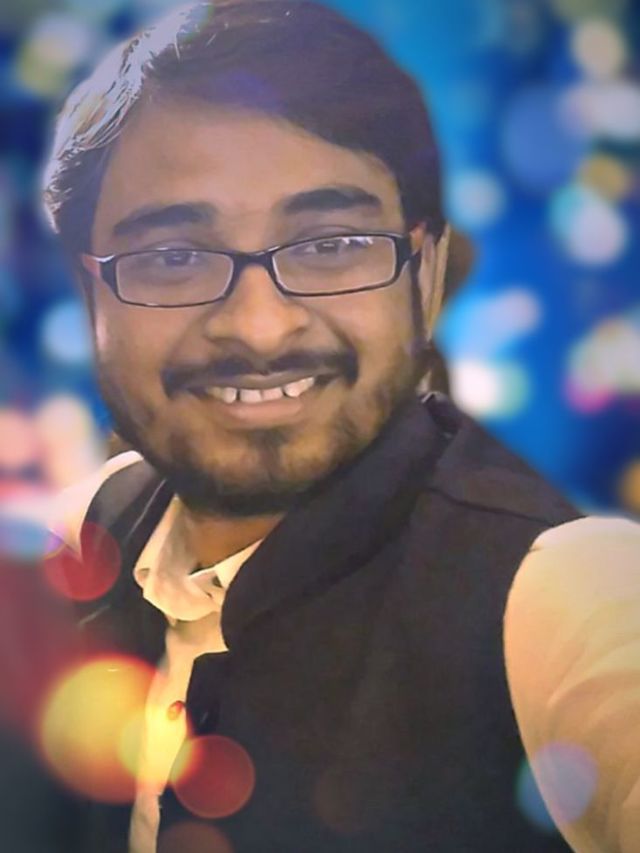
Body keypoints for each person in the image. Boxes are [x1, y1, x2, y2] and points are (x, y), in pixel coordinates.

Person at [32, 1, 638, 851]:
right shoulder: (94, 527)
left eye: (331, 245)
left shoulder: (565, 588)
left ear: (425, 271)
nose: (259, 329)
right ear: (90, 293)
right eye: (174, 257)